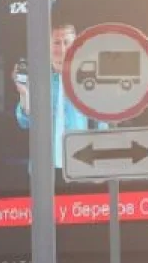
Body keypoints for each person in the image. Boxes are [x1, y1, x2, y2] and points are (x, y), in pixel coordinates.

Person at [13, 23, 107, 168]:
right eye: (56, 43)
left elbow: (103, 129)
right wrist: (24, 93)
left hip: (83, 170)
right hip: (44, 174)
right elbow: (25, 121)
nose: (62, 49)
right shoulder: (38, 81)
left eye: (67, 42)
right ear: (47, 46)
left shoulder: (92, 82)